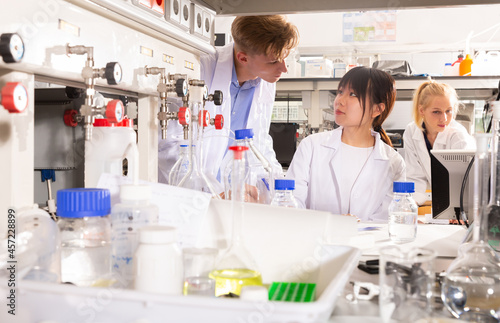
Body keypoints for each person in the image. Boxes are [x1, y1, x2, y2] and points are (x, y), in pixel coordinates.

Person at [158, 15, 300, 187]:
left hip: (234, 195)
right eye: (274, 62)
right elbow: (169, 147)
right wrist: (208, 191)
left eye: (284, 58)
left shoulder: (265, 81)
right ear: (243, 58)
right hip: (193, 194)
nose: (284, 68)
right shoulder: (199, 70)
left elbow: (260, 142)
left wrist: (270, 187)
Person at [286, 67, 405, 221]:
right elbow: (290, 205)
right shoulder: (311, 146)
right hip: (316, 242)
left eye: (353, 94)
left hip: (368, 244)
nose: (339, 101)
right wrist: (332, 225)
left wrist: (354, 228)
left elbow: (386, 221)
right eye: (340, 92)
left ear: (377, 109)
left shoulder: (394, 163)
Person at [403, 80, 476, 206]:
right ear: (422, 110)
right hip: (443, 203)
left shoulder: (458, 136)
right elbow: (415, 177)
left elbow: (463, 183)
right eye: (436, 112)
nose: (444, 118)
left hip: (464, 203)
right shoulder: (411, 131)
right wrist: (410, 205)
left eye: (448, 111)